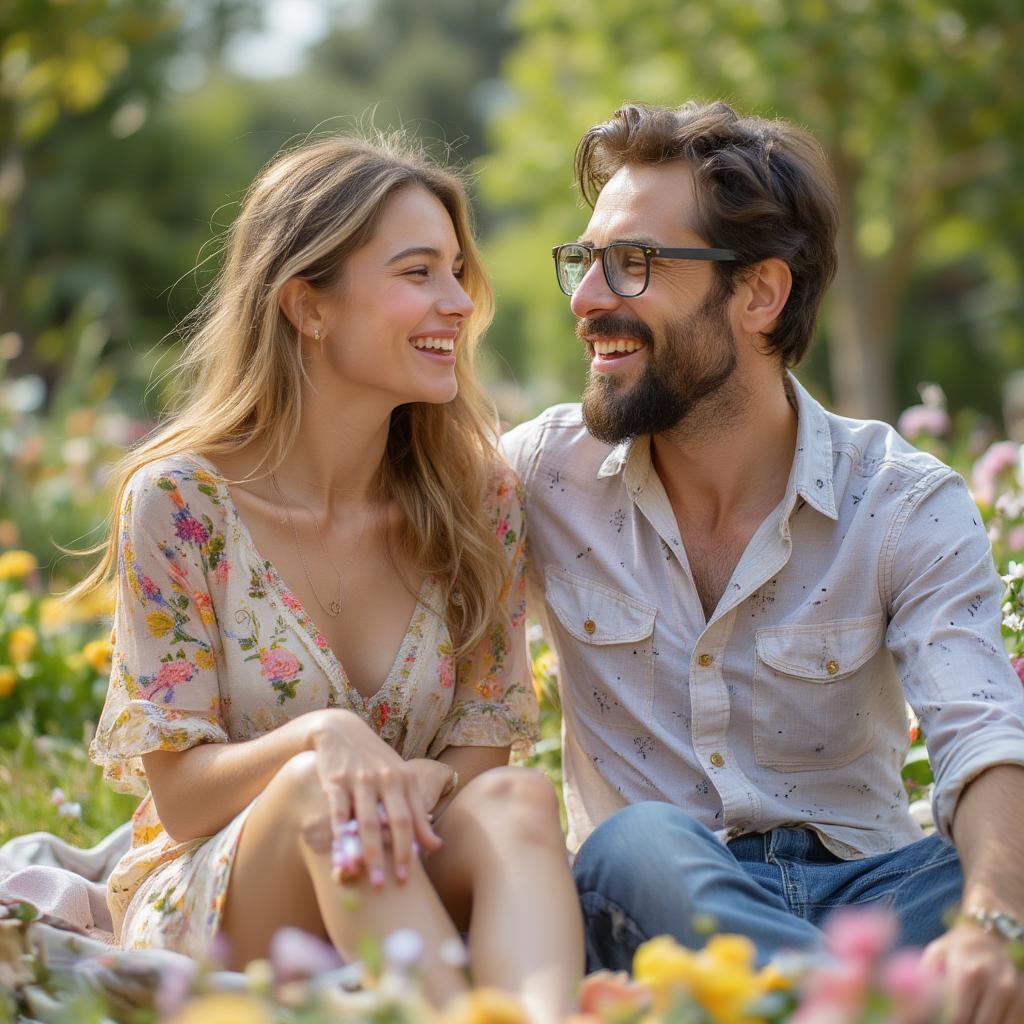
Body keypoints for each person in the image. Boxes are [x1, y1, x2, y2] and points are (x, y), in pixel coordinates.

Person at [501, 101, 1024, 1024]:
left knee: (1004, 873)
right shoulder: (541, 477)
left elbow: (983, 736)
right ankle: (864, 1009)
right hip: (657, 902)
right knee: (637, 845)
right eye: (583, 263)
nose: (587, 300)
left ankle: (807, 1000)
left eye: (633, 265)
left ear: (759, 295)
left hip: (874, 897)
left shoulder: (901, 502)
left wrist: (989, 925)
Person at [81, 133, 583, 1023]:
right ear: (307, 307)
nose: (458, 301)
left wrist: (416, 781)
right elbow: (182, 796)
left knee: (516, 798)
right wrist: (321, 738)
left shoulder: (478, 498)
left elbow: (480, 756)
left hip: (411, 858)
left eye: (458, 271)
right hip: (226, 895)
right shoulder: (182, 502)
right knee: (323, 789)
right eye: (419, 272)